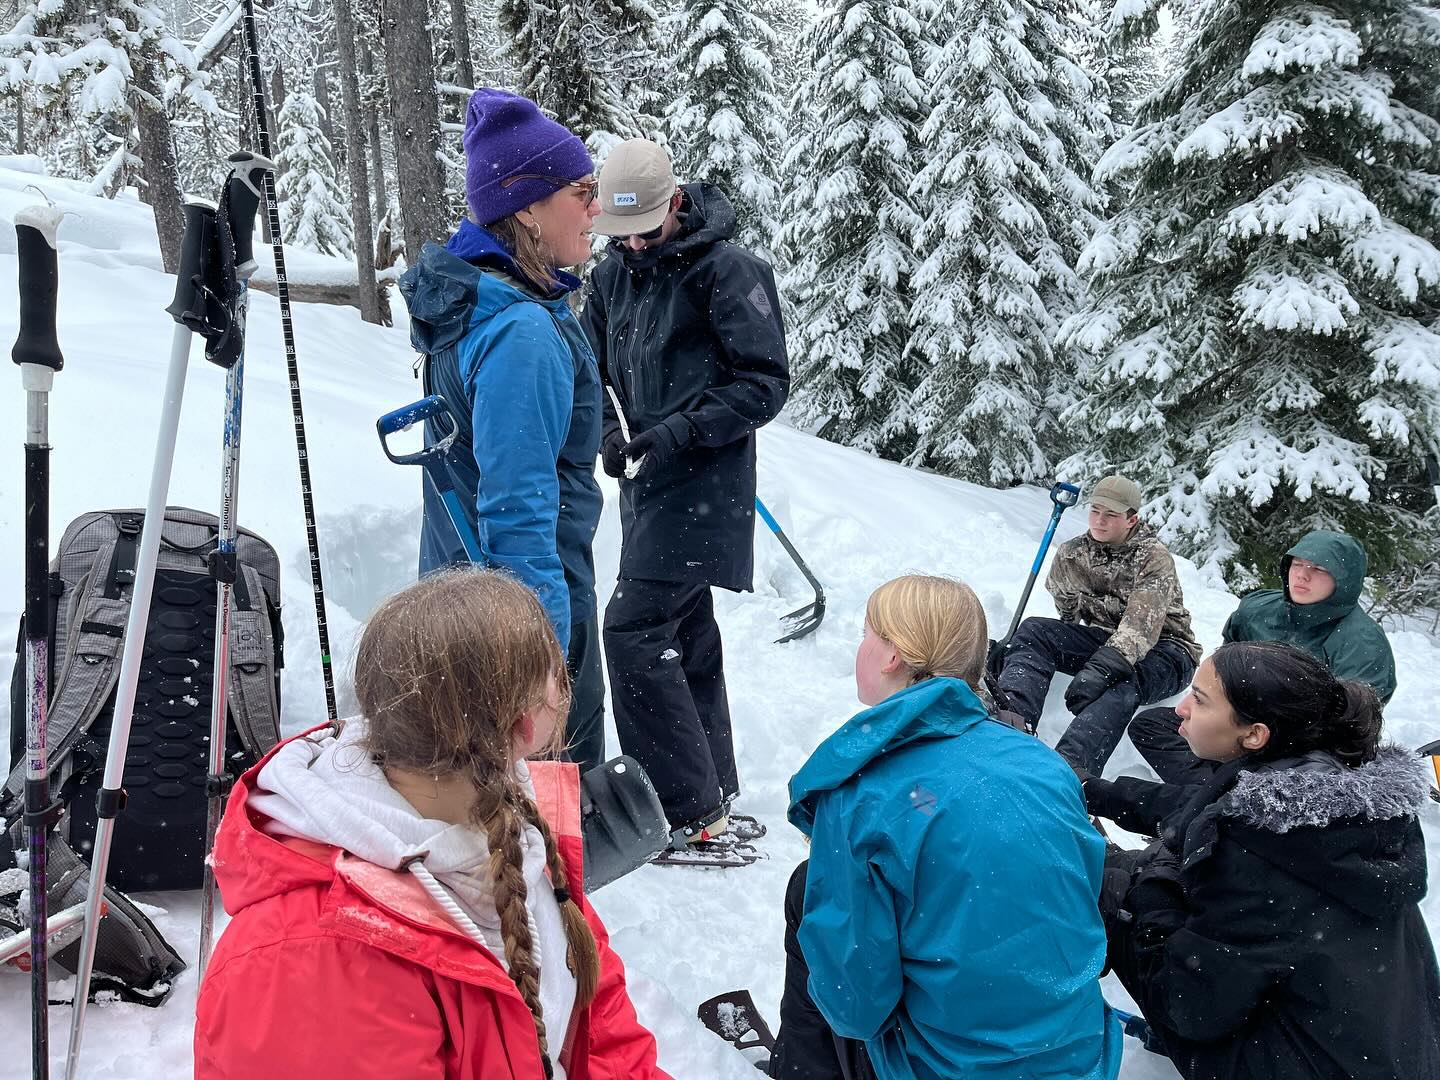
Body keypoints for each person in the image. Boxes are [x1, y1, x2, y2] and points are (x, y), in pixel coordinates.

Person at [195, 569, 671, 1079]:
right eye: (559, 673)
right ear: (524, 724)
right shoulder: (312, 957)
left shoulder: (526, 837)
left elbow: (604, 1039)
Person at [771, 575, 1123, 1080]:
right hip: (1077, 1058)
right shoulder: (1041, 764)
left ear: (893, 655)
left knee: (807, 893)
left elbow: (855, 1007)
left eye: (867, 634)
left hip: (942, 1069)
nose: (862, 648)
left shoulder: (863, 795)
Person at [1083, 641, 1440, 1080]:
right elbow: (1199, 809)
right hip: (1390, 1052)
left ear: (1254, 735)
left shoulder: (1259, 851)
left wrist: (1149, 885)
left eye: (1199, 699)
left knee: (1118, 890)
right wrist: (1094, 790)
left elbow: (1189, 1005)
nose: (1180, 709)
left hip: (1308, 1065)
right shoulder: (1329, 795)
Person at [580, 138, 789, 845]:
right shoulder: (613, 278)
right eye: (620, 232)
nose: (633, 244)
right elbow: (593, 372)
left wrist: (676, 433)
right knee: (682, 633)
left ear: (676, 202)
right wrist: (611, 432)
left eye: (645, 229)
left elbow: (764, 385)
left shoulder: (729, 272)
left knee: (633, 631)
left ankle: (681, 807)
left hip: (706, 484)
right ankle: (712, 793)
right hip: (647, 486)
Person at [401, 87, 607, 771]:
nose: (595, 208)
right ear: (527, 205)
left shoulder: (475, 305)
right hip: (518, 610)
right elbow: (518, 504)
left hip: (462, 601)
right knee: (534, 823)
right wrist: (539, 658)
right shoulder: (519, 329)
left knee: (476, 816)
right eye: (581, 190)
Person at [1127, 528, 1398, 785]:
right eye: (1298, 564)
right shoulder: (1258, 609)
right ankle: (1210, 793)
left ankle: (1226, 799)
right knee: (1152, 727)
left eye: (1319, 569)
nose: (1302, 575)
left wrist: (1266, 736)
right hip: (1235, 723)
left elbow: (1350, 725)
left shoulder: (1362, 642)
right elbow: (1221, 671)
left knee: (1290, 770)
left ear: (1345, 580)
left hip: (1296, 746)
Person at [993, 473, 1200, 774]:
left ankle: (1069, 769)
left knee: (1124, 682)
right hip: (1106, 639)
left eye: (1111, 514)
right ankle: (1011, 724)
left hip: (1167, 650)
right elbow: (1064, 601)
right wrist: (1063, 635)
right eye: (1095, 511)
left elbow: (1139, 629)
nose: (1100, 521)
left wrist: (1102, 668)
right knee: (1036, 631)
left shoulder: (1153, 558)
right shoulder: (1073, 553)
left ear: (1131, 519)